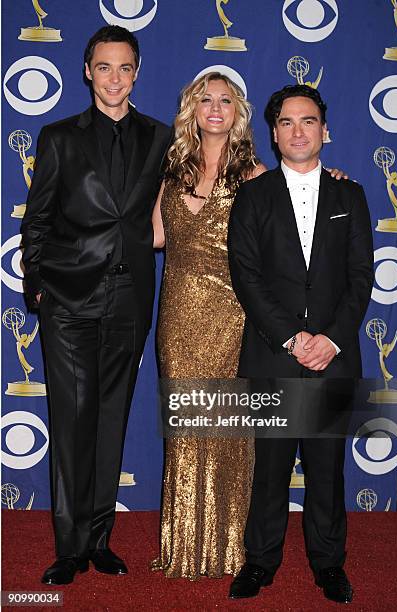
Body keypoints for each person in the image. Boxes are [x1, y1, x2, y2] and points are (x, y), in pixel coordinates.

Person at [21, 25, 171, 585]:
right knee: (71, 422)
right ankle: (68, 545)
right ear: (88, 72)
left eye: (124, 67)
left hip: (129, 300)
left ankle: (100, 539)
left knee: (111, 423)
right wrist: (37, 286)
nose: (113, 78)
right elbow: (35, 221)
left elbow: (211, 178)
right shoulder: (58, 137)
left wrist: (315, 179)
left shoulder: (160, 138)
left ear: (136, 72)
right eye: (103, 67)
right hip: (67, 301)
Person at [228, 84, 373, 603]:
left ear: (324, 130)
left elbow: (361, 277)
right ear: (274, 133)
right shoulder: (253, 195)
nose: (297, 130)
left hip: (334, 357)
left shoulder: (350, 195)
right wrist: (293, 338)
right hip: (274, 352)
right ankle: (260, 563)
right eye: (286, 122)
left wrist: (330, 340)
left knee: (327, 470)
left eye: (307, 121)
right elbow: (246, 276)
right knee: (268, 469)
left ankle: (329, 564)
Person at [151, 72, 267, 579]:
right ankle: (182, 548)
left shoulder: (254, 174)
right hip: (177, 313)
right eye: (205, 100)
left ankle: (230, 550)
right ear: (191, 110)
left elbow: (285, 232)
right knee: (185, 428)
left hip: (233, 313)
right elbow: (153, 236)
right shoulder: (173, 170)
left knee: (224, 429)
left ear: (237, 111)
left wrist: (333, 183)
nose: (215, 108)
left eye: (225, 100)